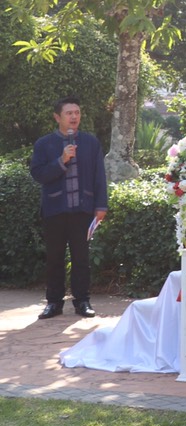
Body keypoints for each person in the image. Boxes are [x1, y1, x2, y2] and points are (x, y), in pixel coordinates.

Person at [30, 96, 108, 319]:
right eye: (69, 113)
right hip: (55, 209)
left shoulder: (91, 142)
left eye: (77, 113)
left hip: (82, 210)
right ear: (57, 117)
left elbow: (99, 177)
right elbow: (39, 174)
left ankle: (82, 301)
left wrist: (101, 206)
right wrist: (60, 161)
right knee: (54, 257)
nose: (74, 117)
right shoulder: (44, 144)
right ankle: (54, 303)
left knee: (81, 257)